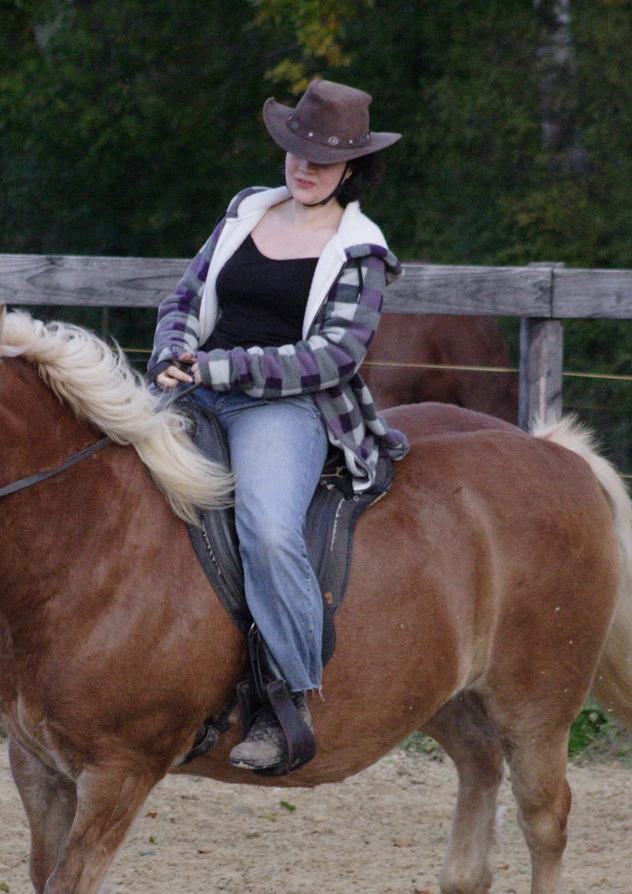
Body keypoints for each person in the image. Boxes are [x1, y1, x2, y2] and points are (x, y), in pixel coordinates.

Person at [149, 79, 409, 773]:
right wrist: (172, 351)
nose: (304, 167)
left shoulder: (364, 252)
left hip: (287, 407)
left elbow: (334, 357)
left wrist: (218, 370)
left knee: (267, 531)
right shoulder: (244, 211)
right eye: (296, 150)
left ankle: (284, 698)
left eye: (321, 160)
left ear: (351, 170)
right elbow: (186, 295)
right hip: (196, 385)